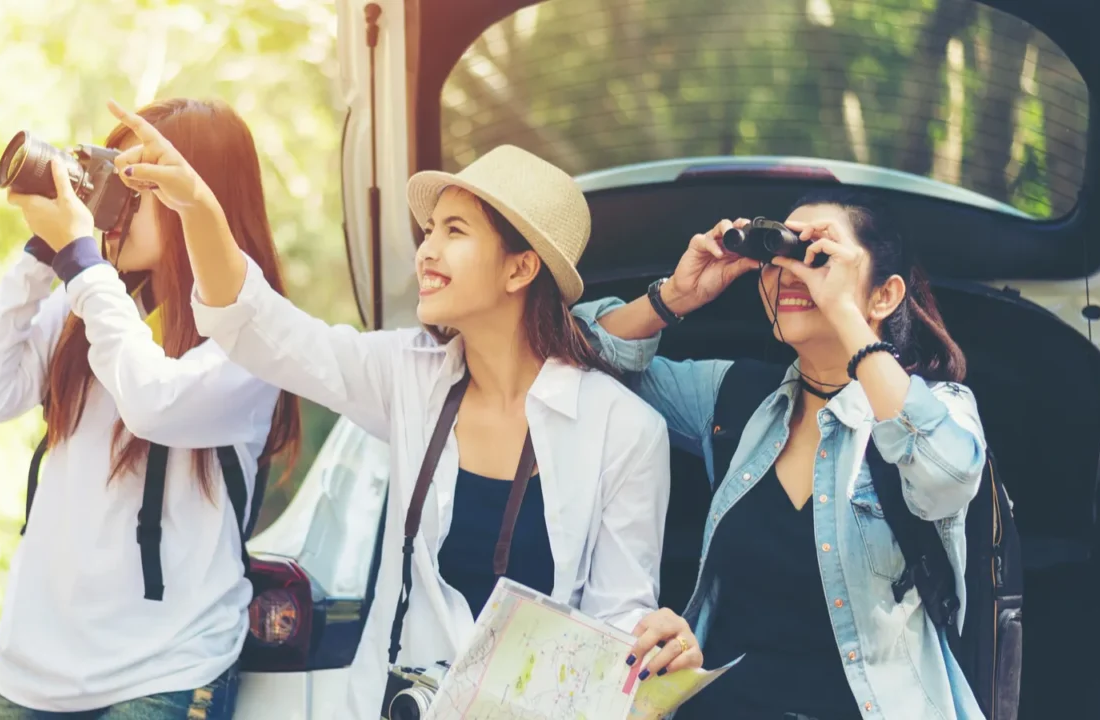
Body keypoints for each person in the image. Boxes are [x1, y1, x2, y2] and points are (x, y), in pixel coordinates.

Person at [103, 118, 693, 715]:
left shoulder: (626, 431)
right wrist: (196, 206)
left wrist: (660, 645)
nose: (426, 250)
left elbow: (620, 621)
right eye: (429, 230)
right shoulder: (405, 375)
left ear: (520, 269)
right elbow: (262, 326)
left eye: (454, 231)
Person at [0, 98, 300, 719]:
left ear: (201, 197)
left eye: (139, 183)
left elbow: (153, 402)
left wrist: (82, 263)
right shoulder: (92, 304)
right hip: (32, 673)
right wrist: (42, 255)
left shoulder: (252, 330)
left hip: (163, 672)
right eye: (114, 178)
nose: (118, 201)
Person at [576, 189, 987, 720]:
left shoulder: (941, 408)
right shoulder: (735, 396)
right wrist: (675, 296)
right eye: (778, 256)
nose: (792, 273)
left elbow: (947, 474)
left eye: (818, 257)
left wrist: (845, 314)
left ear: (884, 295)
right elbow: (576, 361)